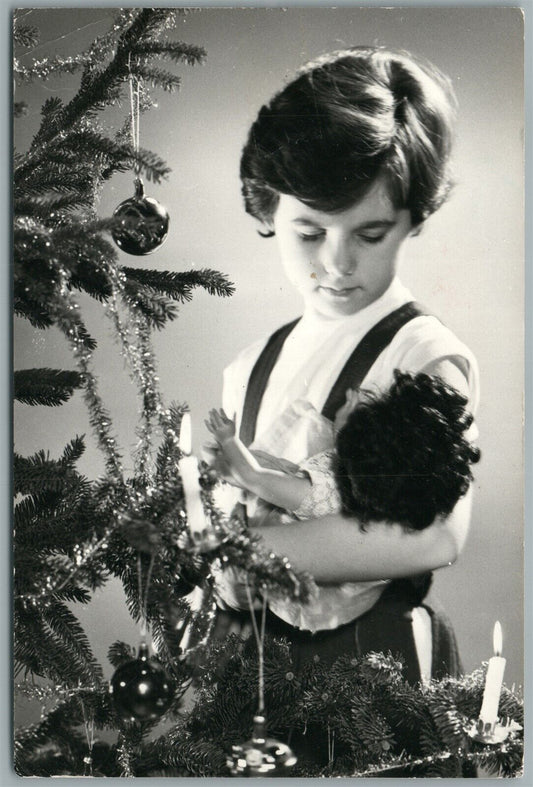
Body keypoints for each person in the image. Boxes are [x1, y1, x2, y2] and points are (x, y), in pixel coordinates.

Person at [209, 45, 480, 687]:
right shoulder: (249, 366)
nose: (336, 263)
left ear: (413, 218)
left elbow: (432, 537)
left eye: (369, 233)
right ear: (268, 209)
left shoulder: (423, 353)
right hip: (256, 664)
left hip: (373, 665)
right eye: (310, 233)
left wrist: (246, 553)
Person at [206, 371, 480, 633]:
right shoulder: (380, 491)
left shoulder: (318, 492)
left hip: (282, 575)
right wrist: (347, 420)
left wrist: (228, 439)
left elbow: (254, 477)